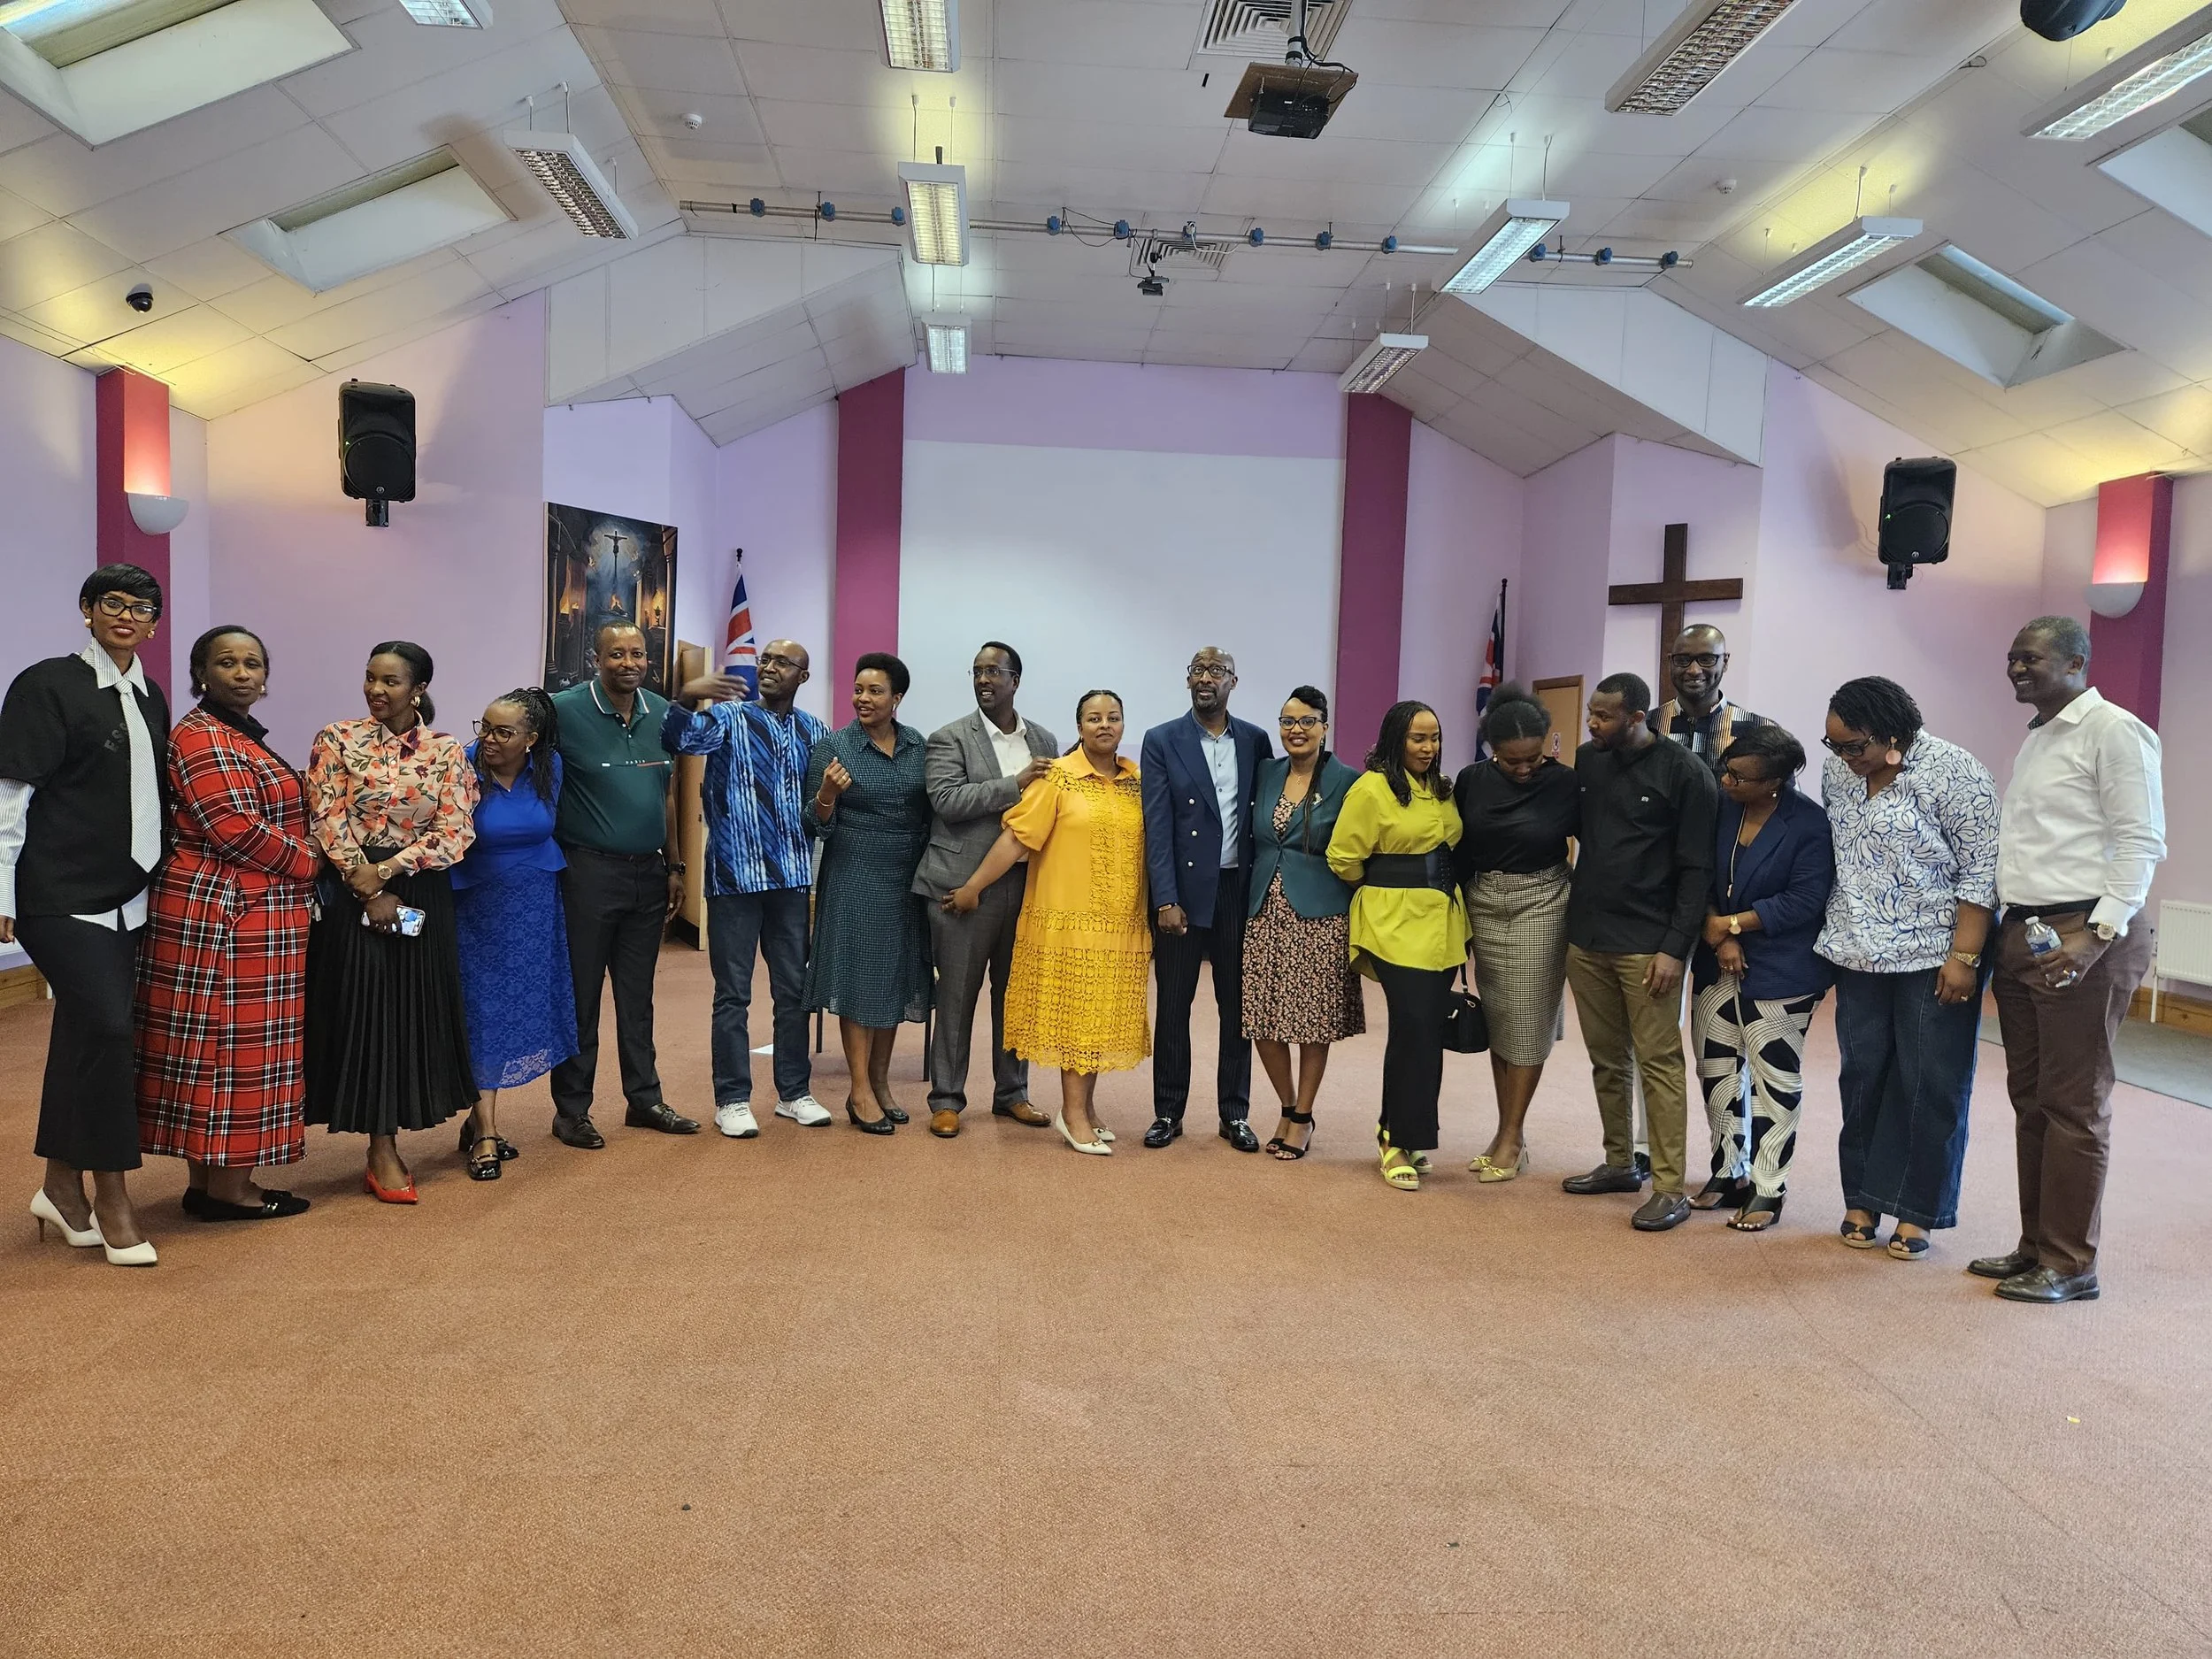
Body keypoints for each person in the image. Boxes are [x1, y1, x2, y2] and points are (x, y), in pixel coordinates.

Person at [1976, 618, 2165, 1304]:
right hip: (2027, 933)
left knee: (2075, 1104)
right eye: (2012, 657)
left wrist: (2099, 934)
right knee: (2032, 1102)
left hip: (2086, 931)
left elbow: (2141, 838)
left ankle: (2071, 1263)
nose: (2017, 668)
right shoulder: (2039, 739)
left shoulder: (2114, 731)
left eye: (2032, 657)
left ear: (2077, 661)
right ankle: (2036, 1245)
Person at [2, 564, 169, 1265]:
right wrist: (2, 896)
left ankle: (59, 1186)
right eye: (112, 603)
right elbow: (12, 795)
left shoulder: (150, 694)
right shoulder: (48, 684)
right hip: (57, 892)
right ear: (87, 610)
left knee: (84, 1034)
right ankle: (113, 1194)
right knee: (107, 1025)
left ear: (155, 624)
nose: (126, 615)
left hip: (129, 893)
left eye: (140, 607)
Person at [135, 626, 320, 1224]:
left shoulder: (233, 732)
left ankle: (210, 1180)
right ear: (201, 671)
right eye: (227, 662)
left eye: (252, 663)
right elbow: (232, 826)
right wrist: (316, 859)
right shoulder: (201, 735)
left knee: (214, 1048)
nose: (242, 672)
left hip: (235, 910)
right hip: (224, 914)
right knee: (232, 1050)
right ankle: (229, 1189)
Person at [1816, 676, 1998, 1262]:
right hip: (1859, 951)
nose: (1846, 758)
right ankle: (1863, 1197)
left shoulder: (1955, 771)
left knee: (1930, 1080)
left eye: (1855, 746)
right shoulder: (1838, 774)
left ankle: (1918, 1210)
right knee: (1863, 1073)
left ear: (1894, 735)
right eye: (1835, 745)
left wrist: (1965, 957)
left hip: (1936, 953)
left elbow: (1981, 874)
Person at [303, 641, 480, 1202]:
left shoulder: (447, 749)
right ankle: (380, 1146)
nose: (377, 691)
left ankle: (396, 1132)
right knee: (364, 1012)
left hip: (417, 890)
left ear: (418, 688)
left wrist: (386, 873)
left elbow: (455, 832)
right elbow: (325, 814)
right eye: (370, 679)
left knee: (408, 1013)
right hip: (350, 888)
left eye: (391, 682)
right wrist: (363, 880)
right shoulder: (336, 738)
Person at [948, 690, 1148, 1154]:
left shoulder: (1136, 782)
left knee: (1099, 1017)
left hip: (1120, 925)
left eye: (1113, 717)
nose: (1104, 725)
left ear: (1123, 725)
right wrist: (973, 887)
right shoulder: (1057, 778)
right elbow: (1017, 840)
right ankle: (1071, 1113)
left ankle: (1088, 1108)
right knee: (1079, 1018)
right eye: (1093, 718)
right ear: (1078, 728)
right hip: (1067, 924)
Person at [1559, 672, 1717, 1233]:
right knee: (1606, 1058)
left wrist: (1676, 948)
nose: (1592, 724)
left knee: (1659, 1063)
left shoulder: (1686, 774)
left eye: (1603, 717)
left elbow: (1697, 869)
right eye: (1591, 716)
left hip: (1649, 945)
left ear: (1637, 717)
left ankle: (1671, 1188)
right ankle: (1621, 1162)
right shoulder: (1589, 760)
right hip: (1589, 936)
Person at [663, 641, 833, 1139]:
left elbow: (816, 811)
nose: (770, 668)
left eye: (783, 663)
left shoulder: (814, 731)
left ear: (803, 676)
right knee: (733, 994)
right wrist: (685, 696)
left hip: (791, 879)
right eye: (766, 661)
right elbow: (676, 741)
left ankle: (794, 1093)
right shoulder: (729, 719)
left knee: (793, 992)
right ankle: (732, 1099)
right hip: (734, 879)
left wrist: (827, 799)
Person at [548, 624, 695, 1148]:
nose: (627, 662)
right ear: (596, 658)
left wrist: (676, 867)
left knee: (638, 996)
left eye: (636, 653)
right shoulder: (562, 710)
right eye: (616, 654)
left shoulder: (661, 712)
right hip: (587, 872)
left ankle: (645, 1099)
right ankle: (571, 1111)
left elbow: (670, 792)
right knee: (582, 996)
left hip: (649, 874)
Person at [1688, 722, 1833, 1232]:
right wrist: (1722, 935)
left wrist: (1735, 924)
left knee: (1773, 1077)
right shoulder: (1723, 808)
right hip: (1716, 958)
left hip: (1782, 964)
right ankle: (1729, 1172)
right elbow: (1700, 872)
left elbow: (1805, 900)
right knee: (1718, 1070)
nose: (1726, 782)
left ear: (1774, 782)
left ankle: (1769, 1186)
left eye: (1740, 777)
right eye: (1726, 771)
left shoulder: (1809, 825)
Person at [911, 642, 1059, 1139]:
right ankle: (947, 1098)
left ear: (1016, 679)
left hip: (1024, 886)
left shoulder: (1044, 738)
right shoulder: (948, 737)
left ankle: (1012, 1093)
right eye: (977, 671)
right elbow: (947, 800)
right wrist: (1015, 783)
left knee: (1015, 996)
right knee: (956, 996)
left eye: (994, 671)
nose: (983, 679)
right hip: (962, 888)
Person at [1326, 701, 1469, 1193]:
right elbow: (1343, 857)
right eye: (1417, 739)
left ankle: (1409, 1134)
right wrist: (1388, 886)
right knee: (1411, 1027)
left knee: (1428, 1030)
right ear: (1394, 740)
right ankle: (1393, 1139)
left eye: (1434, 738)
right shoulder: (1371, 788)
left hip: (1444, 925)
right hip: (1392, 922)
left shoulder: (1440, 788)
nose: (1428, 748)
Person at [1140, 646, 1273, 1151]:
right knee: (1174, 1006)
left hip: (1236, 891)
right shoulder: (1163, 740)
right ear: (1187, 680)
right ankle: (1168, 1112)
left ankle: (1233, 1113)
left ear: (1233, 683)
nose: (1205, 679)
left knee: (1235, 1008)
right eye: (1197, 670)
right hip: (1183, 894)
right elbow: (1158, 826)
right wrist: (1166, 897)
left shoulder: (1256, 741)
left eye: (1216, 671)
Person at [1452, 683, 1578, 1183]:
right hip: (1485, 902)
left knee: (1528, 1018)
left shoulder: (1567, 782)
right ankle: (1508, 1130)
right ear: (1492, 751)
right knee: (1501, 1017)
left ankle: (1512, 1134)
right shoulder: (1471, 780)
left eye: (1534, 758)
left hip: (1544, 900)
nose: (1525, 769)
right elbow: (1459, 851)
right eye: (1512, 761)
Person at [449, 690, 578, 1181]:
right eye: (484, 727)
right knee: (482, 1011)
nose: (489, 740)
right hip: (476, 906)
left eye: (503, 732)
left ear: (532, 739)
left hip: (535, 904)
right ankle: (485, 1133)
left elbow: (547, 825)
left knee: (517, 1009)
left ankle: (475, 1117)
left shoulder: (551, 768)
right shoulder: (463, 764)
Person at [805, 651, 932, 1133]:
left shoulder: (919, 746)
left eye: (875, 691)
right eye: (859, 689)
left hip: (906, 878)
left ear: (897, 698)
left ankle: (881, 1082)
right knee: (859, 979)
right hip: (855, 874)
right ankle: (858, 1090)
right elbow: (812, 824)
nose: (863, 698)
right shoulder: (834, 747)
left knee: (893, 978)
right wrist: (828, 796)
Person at [1243, 687, 1363, 1161]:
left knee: (1314, 1024)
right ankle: (1288, 1106)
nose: (1297, 730)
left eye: (1307, 721)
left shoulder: (1348, 781)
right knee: (1263, 1020)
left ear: (1325, 726)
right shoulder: (1265, 773)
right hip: (1263, 910)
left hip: (1321, 913)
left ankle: (1303, 1116)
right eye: (1288, 721)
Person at [1650, 623, 1765, 768]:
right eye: (1683, 660)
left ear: (1725, 662)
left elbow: (1782, 790)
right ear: (1670, 662)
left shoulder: (1758, 732)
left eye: (1706, 659)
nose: (1694, 670)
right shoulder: (1646, 728)